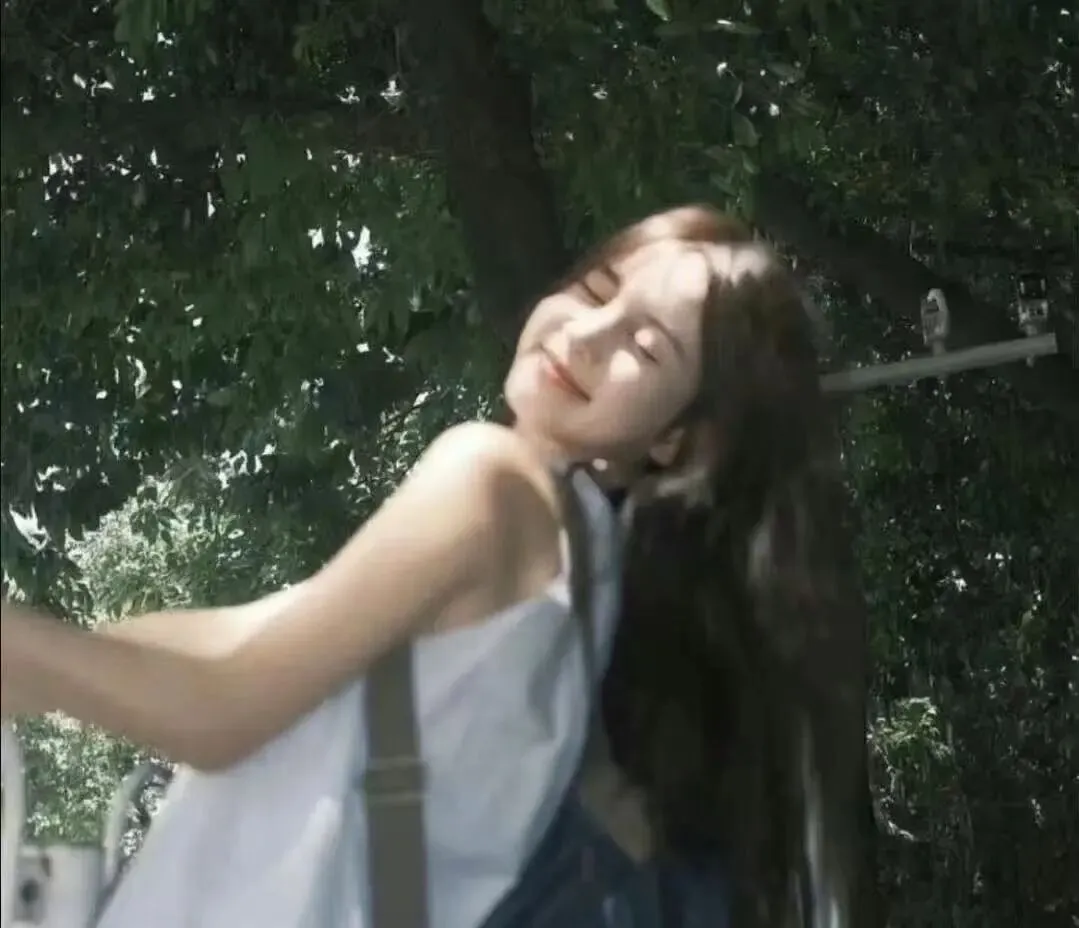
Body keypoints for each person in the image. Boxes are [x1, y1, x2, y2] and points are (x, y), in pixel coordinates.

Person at [1, 205, 876, 928]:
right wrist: (58, 661)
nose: (586, 335)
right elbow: (244, 637)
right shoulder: (588, 577)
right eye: (596, 290)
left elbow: (223, 710)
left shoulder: (491, 481)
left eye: (645, 349)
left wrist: (29, 652)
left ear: (676, 439)